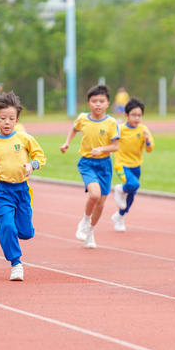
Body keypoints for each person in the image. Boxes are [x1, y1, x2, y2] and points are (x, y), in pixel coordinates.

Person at [0, 91, 46, 281]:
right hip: (2, 191)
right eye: (3, 118)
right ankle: (16, 263)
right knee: (7, 226)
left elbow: (40, 156)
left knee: (26, 233)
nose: (7, 122)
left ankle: (20, 233)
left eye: (11, 118)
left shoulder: (24, 138)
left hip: (22, 190)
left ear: (17, 120)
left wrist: (32, 164)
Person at [60, 85, 119, 248]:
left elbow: (115, 146)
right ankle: (85, 222)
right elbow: (73, 129)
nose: (98, 104)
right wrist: (67, 143)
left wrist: (102, 149)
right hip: (87, 163)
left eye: (101, 101)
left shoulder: (111, 122)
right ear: (88, 104)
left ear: (108, 103)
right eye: (94, 101)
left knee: (101, 203)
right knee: (94, 195)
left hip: (104, 165)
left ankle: (90, 232)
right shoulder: (83, 118)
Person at [111, 98, 155, 232]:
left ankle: (120, 216)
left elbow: (150, 149)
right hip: (122, 165)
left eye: (139, 115)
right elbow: (111, 142)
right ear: (126, 115)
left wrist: (147, 140)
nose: (137, 118)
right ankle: (119, 189)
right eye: (134, 115)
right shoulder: (120, 129)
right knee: (133, 185)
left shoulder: (143, 129)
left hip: (136, 166)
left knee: (131, 196)